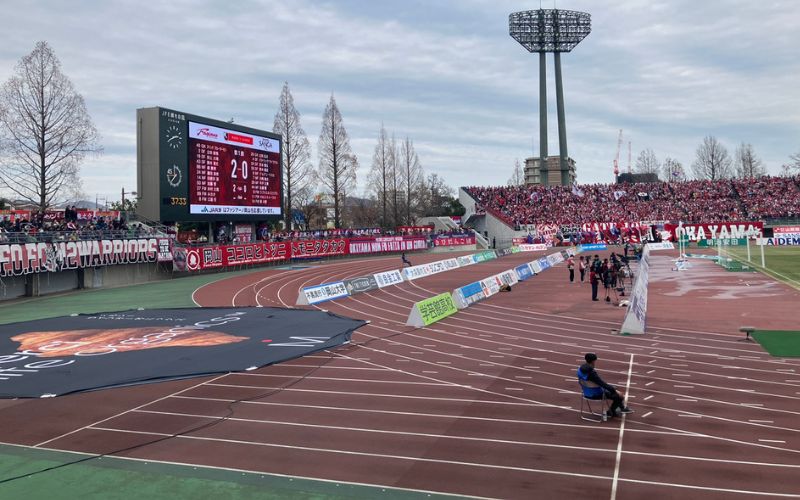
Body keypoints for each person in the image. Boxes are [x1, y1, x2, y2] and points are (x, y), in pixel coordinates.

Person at [578, 353, 632, 418]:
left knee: (613, 389)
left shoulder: (579, 370)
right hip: (596, 394)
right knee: (619, 396)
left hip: (586, 393)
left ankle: (622, 407)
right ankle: (611, 411)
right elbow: (602, 384)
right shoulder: (592, 374)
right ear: (593, 361)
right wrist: (615, 391)